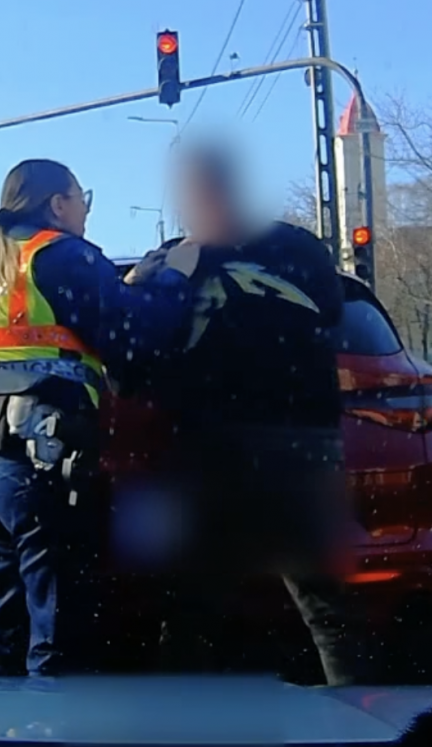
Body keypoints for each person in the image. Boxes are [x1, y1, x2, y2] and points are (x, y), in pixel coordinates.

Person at [0, 158, 201, 678]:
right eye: (81, 196)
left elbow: (60, 325)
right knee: (57, 636)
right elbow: (138, 333)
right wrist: (176, 276)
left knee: (5, 627)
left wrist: (128, 282)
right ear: (57, 204)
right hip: (43, 462)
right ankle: (50, 732)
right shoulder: (63, 253)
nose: (85, 207)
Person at [128, 142, 356, 686]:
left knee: (191, 610)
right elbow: (333, 313)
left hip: (215, 449)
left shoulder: (173, 262)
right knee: (327, 613)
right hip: (302, 444)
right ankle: (359, 721)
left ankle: (185, 725)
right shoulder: (300, 249)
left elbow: (133, 339)